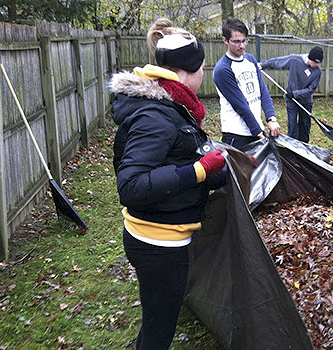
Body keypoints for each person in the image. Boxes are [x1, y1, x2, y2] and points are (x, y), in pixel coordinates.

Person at [110, 18, 228, 350]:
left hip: (162, 237)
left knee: (156, 321)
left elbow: (174, 157)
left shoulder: (170, 104)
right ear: (191, 69)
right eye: (204, 66)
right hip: (158, 244)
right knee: (160, 331)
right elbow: (131, 185)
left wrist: (212, 166)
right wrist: (200, 171)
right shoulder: (155, 115)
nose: (206, 72)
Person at [213, 18, 280, 148]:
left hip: (255, 129)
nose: (242, 46)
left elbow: (262, 90)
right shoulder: (223, 69)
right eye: (236, 42)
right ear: (225, 40)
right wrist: (259, 134)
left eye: (244, 41)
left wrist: (271, 118)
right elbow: (240, 105)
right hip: (237, 134)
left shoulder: (250, 59)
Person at [259, 47, 323, 143]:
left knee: (305, 127)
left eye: (318, 63)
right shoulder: (295, 60)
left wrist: (295, 94)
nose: (316, 65)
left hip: (305, 101)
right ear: (310, 58)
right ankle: (293, 149)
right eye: (315, 62)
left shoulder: (317, 71)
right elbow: (278, 62)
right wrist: (262, 65)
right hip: (291, 100)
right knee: (292, 126)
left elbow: (311, 89)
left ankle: (304, 149)